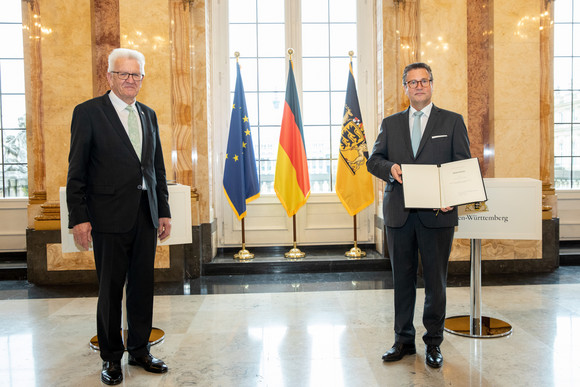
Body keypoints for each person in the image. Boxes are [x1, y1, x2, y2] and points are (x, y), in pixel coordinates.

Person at [66, 48, 172, 385]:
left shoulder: (148, 115)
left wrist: (164, 211)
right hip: (107, 217)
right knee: (110, 290)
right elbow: (76, 169)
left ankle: (140, 350)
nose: (130, 80)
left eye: (136, 75)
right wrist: (78, 216)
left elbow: (156, 168)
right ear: (109, 76)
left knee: (142, 286)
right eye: (123, 74)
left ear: (142, 78)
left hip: (145, 215)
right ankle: (111, 357)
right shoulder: (88, 113)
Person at [366, 62, 470, 368]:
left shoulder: (452, 122)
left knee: (436, 282)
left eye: (424, 81)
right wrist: (390, 169)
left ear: (432, 84)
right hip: (399, 214)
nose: (419, 86)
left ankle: (434, 343)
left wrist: (453, 196)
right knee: (402, 281)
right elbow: (374, 161)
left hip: (438, 215)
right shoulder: (391, 123)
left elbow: (461, 165)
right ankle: (403, 340)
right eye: (412, 82)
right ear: (405, 89)